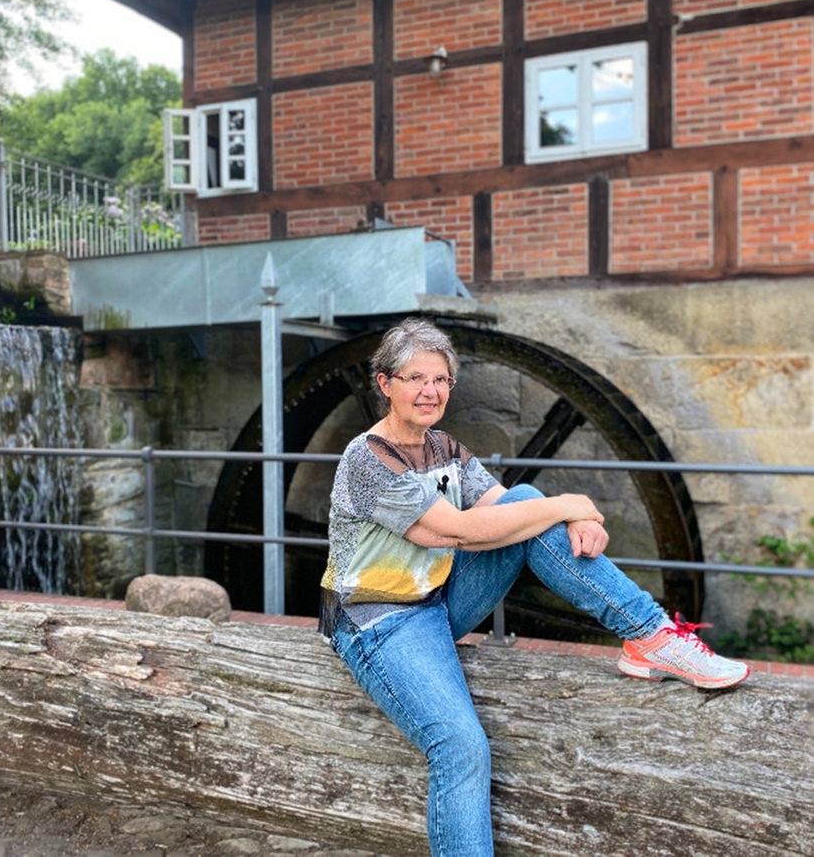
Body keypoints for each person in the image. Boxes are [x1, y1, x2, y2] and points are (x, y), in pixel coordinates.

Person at [319, 317, 749, 857]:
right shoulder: (367, 459)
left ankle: (650, 635)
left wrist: (568, 521)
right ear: (385, 384)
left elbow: (508, 510)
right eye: (415, 379)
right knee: (460, 746)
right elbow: (454, 531)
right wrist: (571, 506)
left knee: (524, 498)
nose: (430, 391)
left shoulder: (445, 448)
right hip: (376, 622)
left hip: (437, 601)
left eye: (441, 380)